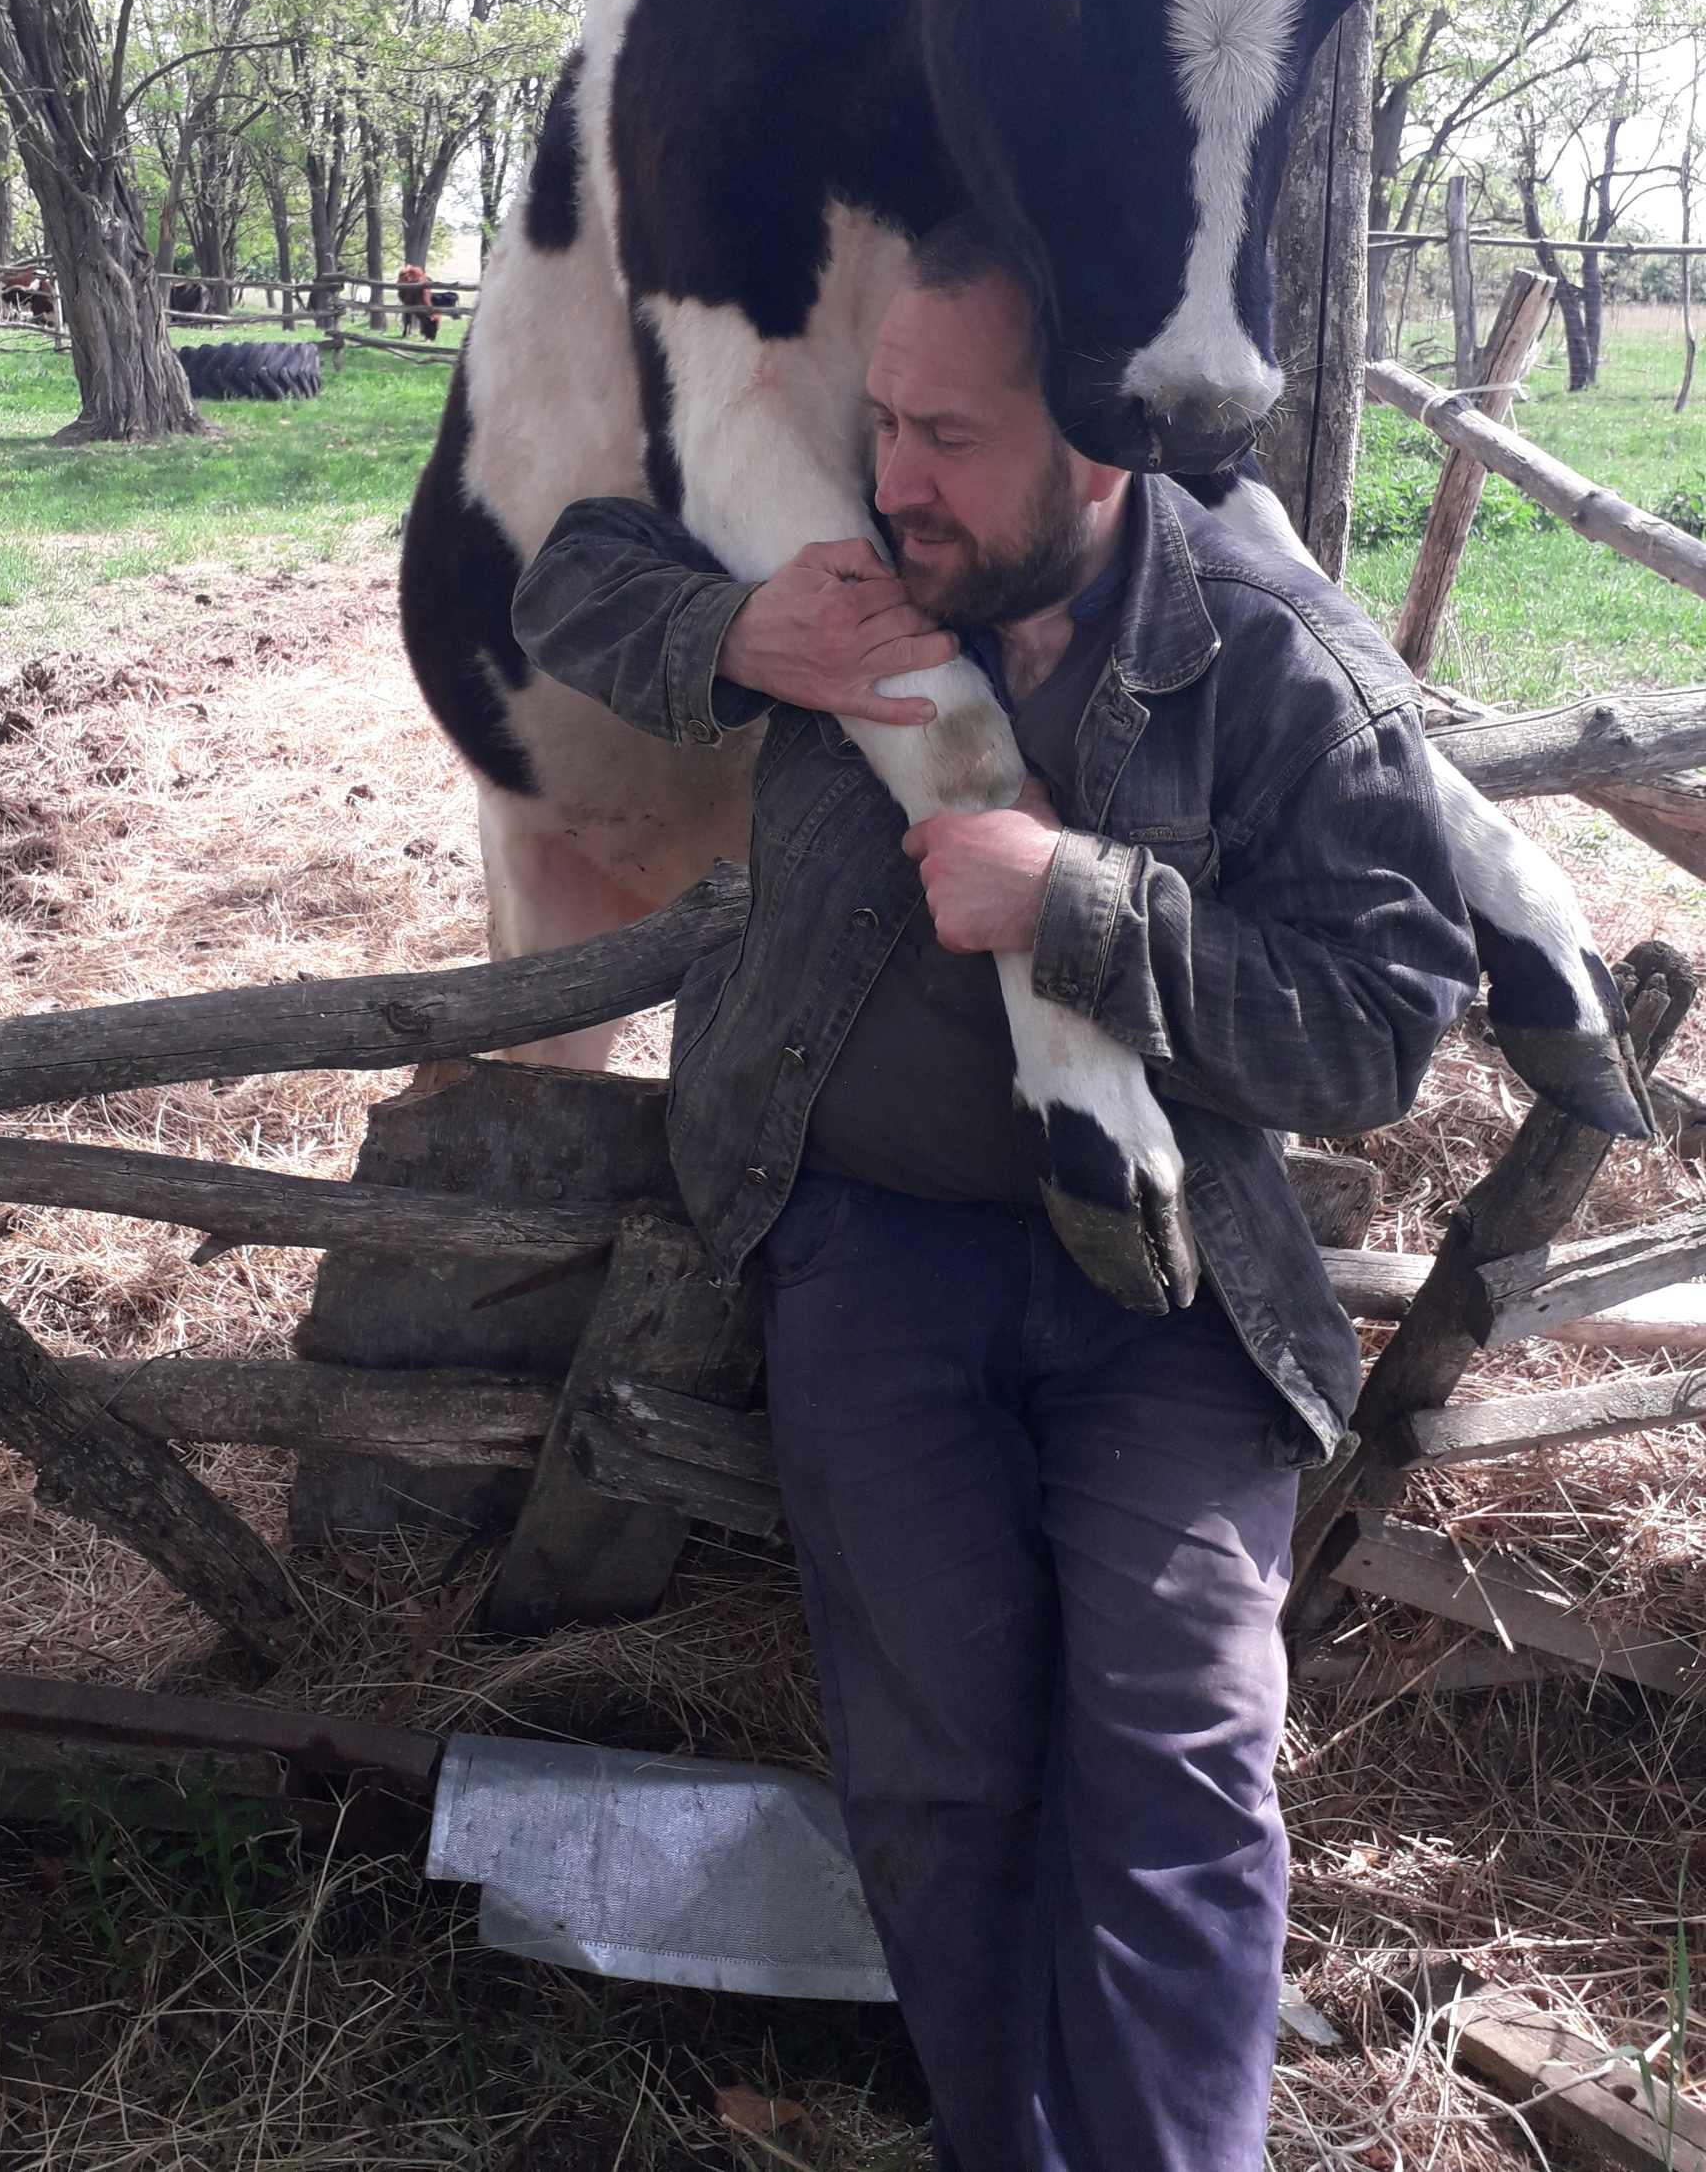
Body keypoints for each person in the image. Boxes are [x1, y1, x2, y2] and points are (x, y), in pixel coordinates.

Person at [508, 213, 1477, 2172]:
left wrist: (1081, 905)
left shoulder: (1269, 655)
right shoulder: (853, 559)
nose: (895, 479)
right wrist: (737, 632)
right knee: (944, 1769)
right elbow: (568, 576)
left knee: (1178, 1754)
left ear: (1103, 448)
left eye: (947, 437)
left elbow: (1382, 1025)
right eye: (884, 422)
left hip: (1168, 1284)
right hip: (866, 1244)